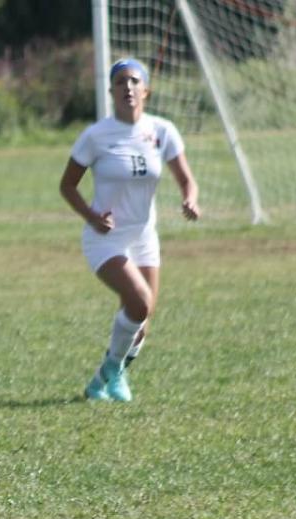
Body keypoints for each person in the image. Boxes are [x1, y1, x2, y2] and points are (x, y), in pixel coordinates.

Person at [59, 58, 200, 403]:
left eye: (134, 81)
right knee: (139, 303)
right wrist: (92, 216)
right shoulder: (96, 136)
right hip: (104, 238)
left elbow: (187, 180)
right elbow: (67, 186)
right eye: (120, 82)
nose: (128, 87)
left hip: (144, 236)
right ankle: (113, 371)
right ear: (111, 91)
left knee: (144, 319)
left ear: (146, 90)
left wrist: (190, 200)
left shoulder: (163, 131)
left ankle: (101, 380)